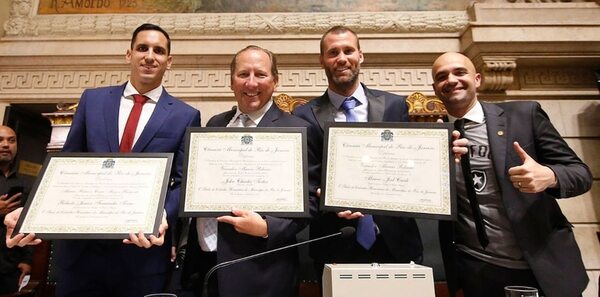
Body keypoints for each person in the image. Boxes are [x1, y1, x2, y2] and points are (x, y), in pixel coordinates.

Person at [5, 23, 201, 297]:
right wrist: (31, 211)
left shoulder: (185, 115)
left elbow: (182, 183)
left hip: (142, 254)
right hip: (83, 254)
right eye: (142, 48)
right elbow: (66, 166)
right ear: (128, 54)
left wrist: (162, 214)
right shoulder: (92, 100)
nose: (149, 56)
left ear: (169, 62)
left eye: (158, 51)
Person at [432, 52, 592, 297]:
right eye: (442, 77)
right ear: (435, 89)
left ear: (477, 79)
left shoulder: (524, 115)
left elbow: (580, 174)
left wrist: (550, 176)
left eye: (459, 72)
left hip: (541, 265)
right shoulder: (430, 141)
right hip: (478, 271)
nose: (451, 80)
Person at [181, 45, 319, 297]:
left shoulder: (298, 130)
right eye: (243, 74)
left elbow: (310, 202)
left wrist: (267, 227)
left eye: (260, 74)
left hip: (262, 270)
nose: (251, 83)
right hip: (204, 266)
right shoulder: (215, 124)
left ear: (275, 81)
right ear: (231, 81)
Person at [292, 26, 423, 279]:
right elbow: (307, 180)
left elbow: (410, 167)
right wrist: (324, 197)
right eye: (333, 52)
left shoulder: (395, 106)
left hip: (396, 242)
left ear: (360, 55)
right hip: (336, 241)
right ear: (322, 61)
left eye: (348, 50)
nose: (342, 58)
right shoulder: (303, 115)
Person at [0, 125, 33, 294]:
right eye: (0, 140)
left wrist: (27, 260)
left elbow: (29, 224)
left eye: (11, 141)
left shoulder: (27, 183)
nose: (6, 145)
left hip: (11, 266)